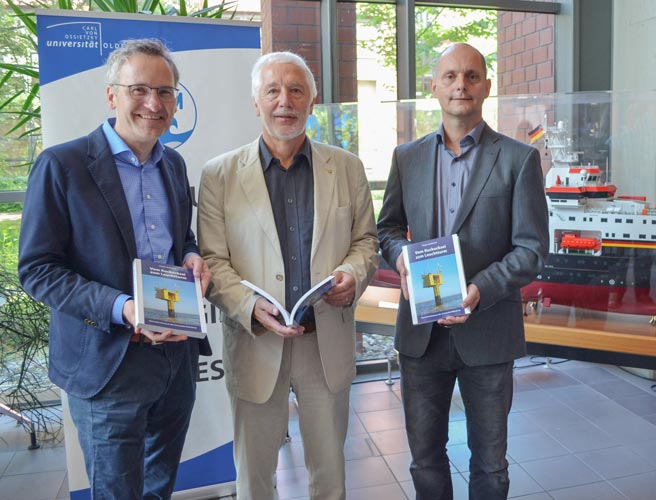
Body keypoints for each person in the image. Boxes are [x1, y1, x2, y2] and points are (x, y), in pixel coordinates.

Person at [18, 39, 211, 499]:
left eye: (165, 92)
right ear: (112, 95)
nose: (153, 103)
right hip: (108, 363)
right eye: (139, 89)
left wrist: (191, 255)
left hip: (174, 358)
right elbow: (38, 269)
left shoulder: (172, 163)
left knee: (160, 486)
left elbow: (178, 238)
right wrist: (122, 308)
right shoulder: (62, 166)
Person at [197, 51, 378, 500]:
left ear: (312, 103)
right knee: (255, 480)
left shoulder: (348, 168)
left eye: (296, 90)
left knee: (330, 476)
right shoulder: (218, 175)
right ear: (255, 104)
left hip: (325, 342)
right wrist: (248, 305)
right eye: (272, 91)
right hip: (256, 342)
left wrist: (353, 276)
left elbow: (366, 243)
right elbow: (213, 260)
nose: (285, 101)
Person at [377, 43, 550, 499]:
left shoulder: (518, 159)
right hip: (422, 337)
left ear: (487, 87)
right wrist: (402, 261)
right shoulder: (407, 158)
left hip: (489, 332)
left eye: (472, 76)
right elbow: (388, 230)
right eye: (450, 76)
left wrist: (477, 289)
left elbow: (531, 250)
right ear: (433, 87)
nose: (461, 85)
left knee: (490, 466)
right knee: (425, 460)